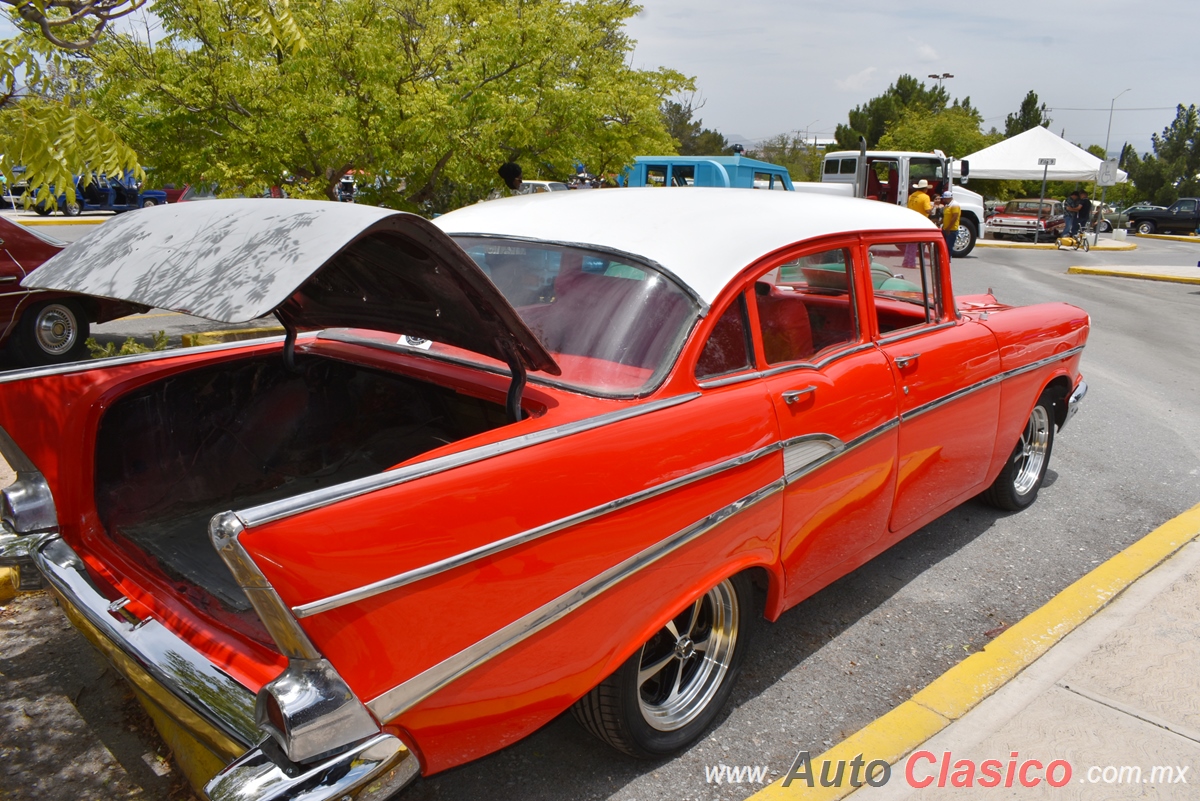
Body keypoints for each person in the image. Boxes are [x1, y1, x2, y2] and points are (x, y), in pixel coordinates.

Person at [904, 180, 934, 267]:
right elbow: (927, 209)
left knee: (910, 243)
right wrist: (933, 209)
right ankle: (912, 263)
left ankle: (907, 261)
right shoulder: (925, 197)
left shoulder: (912, 196)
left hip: (911, 220)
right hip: (921, 221)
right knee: (920, 243)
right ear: (925, 189)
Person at [940, 191, 961, 259]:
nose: (944, 200)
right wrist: (940, 223)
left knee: (949, 246)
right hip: (945, 229)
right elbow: (945, 216)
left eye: (945, 198)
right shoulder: (947, 205)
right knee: (944, 246)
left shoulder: (955, 205)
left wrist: (948, 228)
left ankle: (947, 260)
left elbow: (954, 217)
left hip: (951, 230)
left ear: (949, 198)